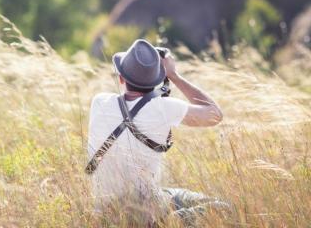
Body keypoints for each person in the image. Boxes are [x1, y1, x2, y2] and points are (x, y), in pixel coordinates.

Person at [87, 39, 227, 226]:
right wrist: (174, 75)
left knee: (169, 193)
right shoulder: (163, 108)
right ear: (158, 79)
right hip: (147, 214)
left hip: (105, 211)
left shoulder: (99, 101)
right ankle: (172, 221)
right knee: (224, 208)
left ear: (121, 78)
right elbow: (214, 114)